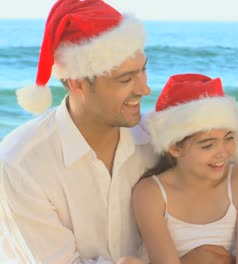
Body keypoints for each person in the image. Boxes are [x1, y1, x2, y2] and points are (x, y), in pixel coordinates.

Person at [0, 0, 153, 263]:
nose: (144, 89)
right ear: (78, 83)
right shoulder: (21, 163)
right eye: (126, 79)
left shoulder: (158, 139)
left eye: (143, 71)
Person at [133, 73, 238, 264]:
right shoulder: (150, 193)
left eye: (228, 138)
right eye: (208, 145)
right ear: (174, 147)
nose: (222, 153)